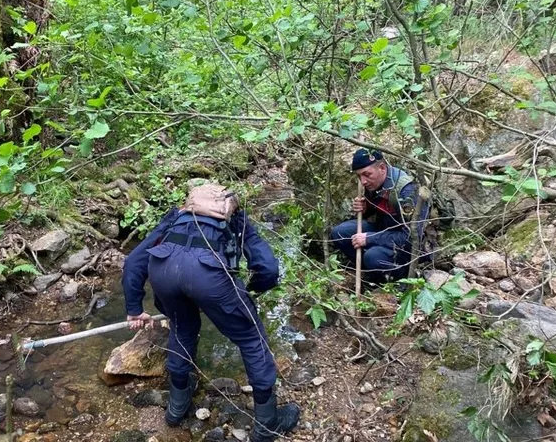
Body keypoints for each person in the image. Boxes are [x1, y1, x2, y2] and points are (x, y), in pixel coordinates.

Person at [122, 184, 300, 442]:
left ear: (191, 203)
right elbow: (268, 269)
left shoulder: (176, 217)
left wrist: (134, 309)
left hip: (163, 270)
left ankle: (176, 408)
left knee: (182, 327)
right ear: (230, 207)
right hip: (209, 276)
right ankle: (267, 424)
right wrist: (251, 290)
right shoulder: (237, 219)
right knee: (251, 338)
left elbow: (134, 262)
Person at [330, 148, 428, 284]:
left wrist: (370, 239)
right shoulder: (374, 183)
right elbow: (379, 208)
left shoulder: (407, 191)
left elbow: (411, 238)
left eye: (367, 174)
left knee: (373, 256)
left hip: (410, 248)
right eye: (359, 176)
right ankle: (371, 272)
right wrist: (366, 209)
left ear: (382, 168)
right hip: (385, 230)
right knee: (340, 233)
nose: (363, 181)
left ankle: (399, 277)